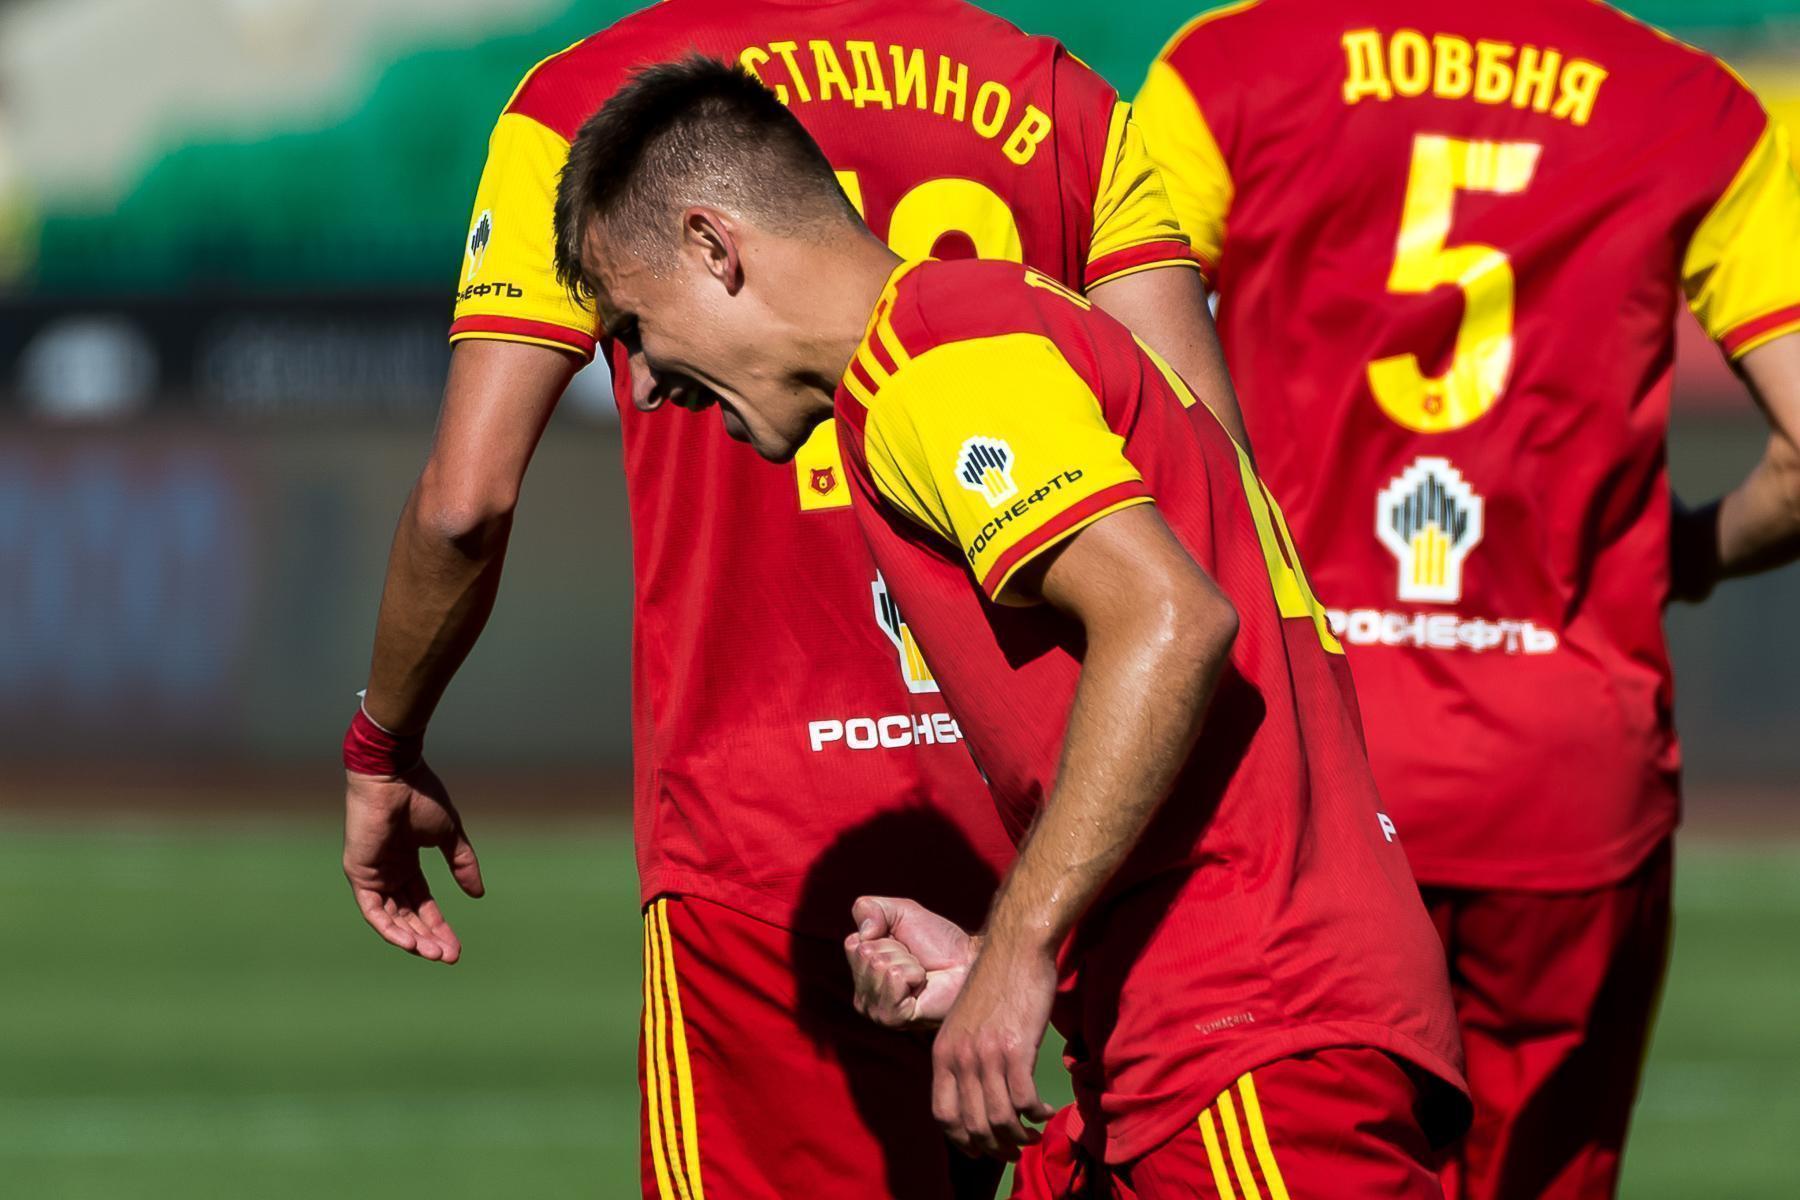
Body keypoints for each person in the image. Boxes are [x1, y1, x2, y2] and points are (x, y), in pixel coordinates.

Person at [337, 2, 1247, 1197]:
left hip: (775, 846)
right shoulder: (1061, 98)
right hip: (1069, 803)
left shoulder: (588, 102)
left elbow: (466, 502)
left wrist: (384, 741)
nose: (644, 378)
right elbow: (1206, 474)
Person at [553, 57, 1470, 1199]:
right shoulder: (980, 331)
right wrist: (1000, 950)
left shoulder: (935, 363)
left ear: (713, 246)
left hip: (1247, 1038)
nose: (640, 384)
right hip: (1208, 1033)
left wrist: (1021, 953)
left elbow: (1173, 619)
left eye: (634, 326)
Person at [1131, 3, 1800, 1197]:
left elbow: (1114, 368)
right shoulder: (1695, 107)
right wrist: (1683, 555)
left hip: (1304, 765)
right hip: (1564, 778)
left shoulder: (1228, 64)